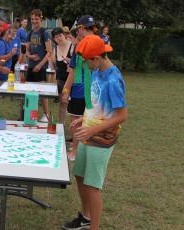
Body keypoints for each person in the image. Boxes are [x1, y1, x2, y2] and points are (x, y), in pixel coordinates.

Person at [62, 34, 127, 230]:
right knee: (80, 175)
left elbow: (121, 115)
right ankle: (86, 217)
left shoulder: (114, 80)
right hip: (88, 134)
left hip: (102, 139)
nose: (84, 65)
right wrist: (84, 119)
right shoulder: (97, 71)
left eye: (86, 62)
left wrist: (93, 128)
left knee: (92, 185)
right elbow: (96, 104)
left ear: (97, 58)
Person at [61, 15, 99, 161]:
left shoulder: (80, 47)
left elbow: (73, 72)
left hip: (78, 90)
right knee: (89, 120)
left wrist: (65, 91)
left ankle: (75, 151)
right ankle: (84, 149)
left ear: (82, 28)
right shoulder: (98, 43)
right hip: (93, 90)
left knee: (77, 122)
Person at [26, 9, 53, 122]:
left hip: (40, 67)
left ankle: (46, 115)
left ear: (41, 19)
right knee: (30, 92)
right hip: (31, 66)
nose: (34, 21)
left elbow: (50, 51)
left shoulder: (44, 32)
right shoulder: (30, 33)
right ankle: (31, 114)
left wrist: (40, 64)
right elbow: (26, 51)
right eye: (32, 19)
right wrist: (30, 57)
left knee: (42, 92)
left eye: (36, 19)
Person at [0, 24, 18, 119]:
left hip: (3, 74)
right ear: (6, 32)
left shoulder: (5, 42)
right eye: (9, 30)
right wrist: (11, 54)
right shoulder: (0, 43)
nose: (12, 32)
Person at [51, 27, 74, 123]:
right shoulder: (55, 49)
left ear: (64, 35)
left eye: (60, 35)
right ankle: (61, 126)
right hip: (60, 80)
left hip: (72, 81)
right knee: (63, 104)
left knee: (73, 104)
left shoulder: (72, 46)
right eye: (56, 37)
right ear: (54, 39)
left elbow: (77, 65)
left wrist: (69, 61)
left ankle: (76, 125)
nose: (59, 38)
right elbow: (53, 66)